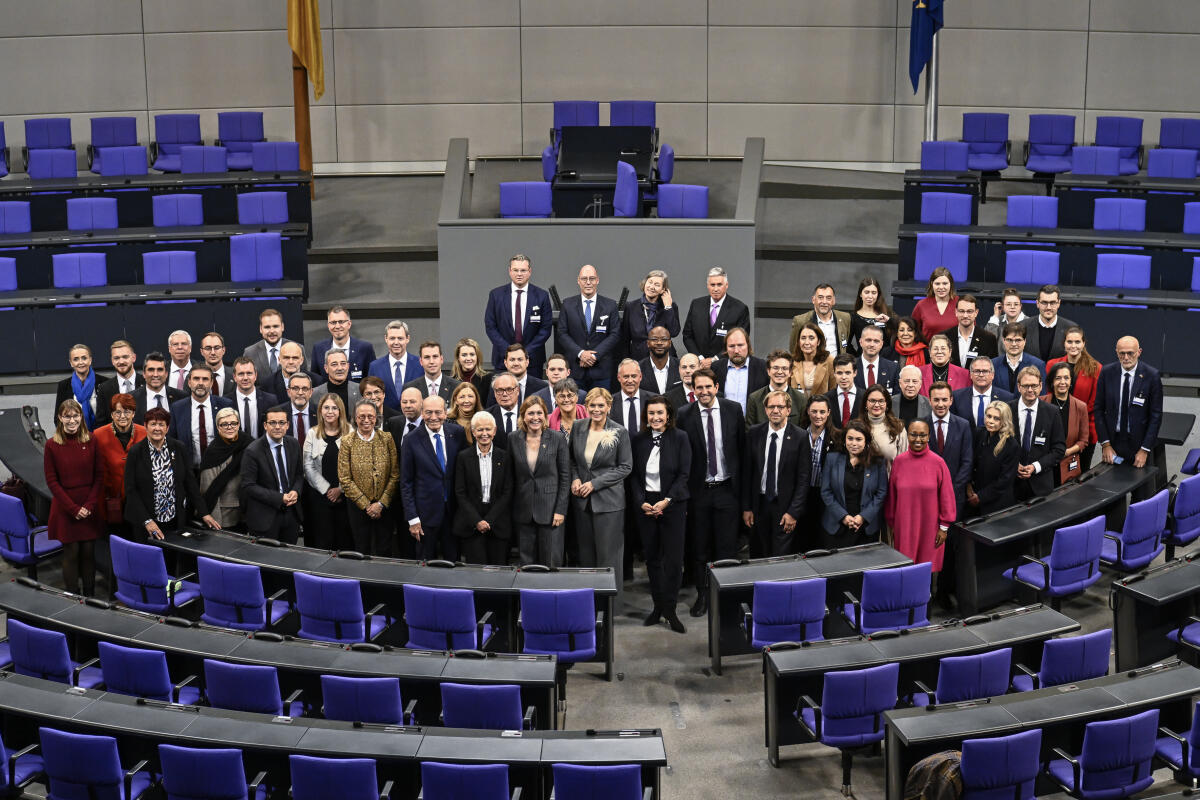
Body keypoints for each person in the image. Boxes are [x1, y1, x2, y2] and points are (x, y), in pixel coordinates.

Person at [677, 368, 745, 616]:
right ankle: (703, 595)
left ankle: (725, 597)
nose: (703, 392)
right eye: (699, 388)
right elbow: (682, 458)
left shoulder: (733, 410)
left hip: (727, 490)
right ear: (693, 390)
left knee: (727, 547)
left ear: (716, 387)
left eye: (708, 387)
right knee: (700, 548)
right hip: (699, 493)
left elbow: (741, 450)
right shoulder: (684, 414)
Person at [631, 396, 691, 632]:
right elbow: (634, 476)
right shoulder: (638, 440)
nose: (655, 417)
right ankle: (658, 607)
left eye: (660, 413)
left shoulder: (680, 438)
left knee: (674, 560)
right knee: (653, 559)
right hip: (647, 505)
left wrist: (667, 501)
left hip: (672, 504)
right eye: (651, 413)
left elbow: (684, 474)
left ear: (668, 415)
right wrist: (641, 502)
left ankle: (671, 609)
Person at [569, 388, 633, 598]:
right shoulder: (577, 427)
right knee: (586, 555)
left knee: (608, 556)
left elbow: (625, 467)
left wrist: (595, 484)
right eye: (592, 406)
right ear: (585, 407)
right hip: (582, 502)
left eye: (600, 406)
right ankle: (589, 603)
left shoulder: (619, 431)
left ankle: (610, 606)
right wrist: (576, 478)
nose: (596, 410)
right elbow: (570, 460)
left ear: (608, 407)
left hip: (609, 503)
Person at [124, 407, 220, 539]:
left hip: (175, 519)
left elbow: (190, 482)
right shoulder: (136, 452)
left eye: (161, 424)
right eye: (153, 424)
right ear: (145, 426)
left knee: (172, 558)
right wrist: (147, 521)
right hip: (146, 521)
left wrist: (204, 513)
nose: (157, 428)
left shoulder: (178, 447)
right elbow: (131, 490)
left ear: (167, 428)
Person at [44, 399, 103, 595]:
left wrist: (89, 505)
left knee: (88, 553)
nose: (72, 420)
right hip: (66, 508)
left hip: (89, 507)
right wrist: (73, 509)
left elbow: (99, 476)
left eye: (75, 415)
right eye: (67, 416)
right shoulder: (51, 445)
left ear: (81, 417)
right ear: (60, 418)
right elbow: (52, 482)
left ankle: (90, 596)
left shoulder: (92, 440)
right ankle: (72, 597)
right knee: (71, 553)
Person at [742, 391, 810, 557]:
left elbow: (803, 479)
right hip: (759, 505)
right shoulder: (754, 433)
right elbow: (747, 473)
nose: (775, 410)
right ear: (765, 410)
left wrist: (793, 512)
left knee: (781, 557)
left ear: (788, 410)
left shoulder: (800, 436)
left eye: (780, 406)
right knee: (758, 553)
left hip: (785, 507)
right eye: (771, 406)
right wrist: (747, 508)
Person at [885, 419, 956, 575]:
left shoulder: (938, 463)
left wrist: (944, 527)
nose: (918, 439)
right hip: (904, 526)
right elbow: (892, 496)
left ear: (929, 436)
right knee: (905, 568)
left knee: (926, 570)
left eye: (923, 435)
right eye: (913, 435)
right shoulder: (899, 462)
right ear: (907, 436)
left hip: (930, 528)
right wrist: (893, 523)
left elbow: (947, 497)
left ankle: (926, 598)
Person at [402, 396, 466, 561]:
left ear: (446, 413)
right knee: (425, 562)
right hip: (424, 516)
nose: (433, 417)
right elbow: (406, 483)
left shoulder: (457, 433)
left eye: (438, 412)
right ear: (422, 413)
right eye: (428, 412)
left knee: (453, 562)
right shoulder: (411, 440)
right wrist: (413, 519)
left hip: (453, 512)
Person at [510, 396, 570, 567]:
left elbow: (565, 478)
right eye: (530, 413)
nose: (535, 417)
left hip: (551, 512)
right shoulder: (513, 438)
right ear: (523, 416)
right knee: (526, 563)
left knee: (551, 562)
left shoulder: (557, 438)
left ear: (545, 415)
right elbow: (512, 477)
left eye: (539, 413)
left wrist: (560, 510)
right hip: (524, 511)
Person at [339, 400, 400, 556]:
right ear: (355, 418)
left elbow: (395, 474)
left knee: (384, 549)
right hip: (358, 508)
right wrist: (367, 505)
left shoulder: (386, 438)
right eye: (362, 416)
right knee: (361, 548)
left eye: (370, 416)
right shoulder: (347, 441)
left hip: (384, 506)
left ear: (376, 418)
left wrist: (380, 504)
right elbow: (345, 479)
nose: (366, 420)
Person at [92, 394, 145, 569]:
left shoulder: (144, 432)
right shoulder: (99, 435)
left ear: (134, 413)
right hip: (111, 501)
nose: (122, 416)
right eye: (117, 412)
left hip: (138, 500)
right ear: (111, 414)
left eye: (127, 411)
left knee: (138, 544)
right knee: (117, 546)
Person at [1095, 335, 1163, 470]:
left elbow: (1156, 416)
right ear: (1116, 352)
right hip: (1113, 443)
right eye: (1122, 353)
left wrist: (1144, 450)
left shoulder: (1151, 375)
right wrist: (1105, 444)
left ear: (1139, 352)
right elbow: (1098, 410)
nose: (1126, 358)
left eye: (1130, 353)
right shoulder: (1106, 372)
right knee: (1113, 489)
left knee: (1142, 490)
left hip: (1139, 444)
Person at [454, 411, 513, 565]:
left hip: (498, 523)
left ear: (494, 431)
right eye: (480, 430)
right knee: (475, 572)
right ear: (473, 432)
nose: (484, 433)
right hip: (471, 524)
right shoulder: (463, 457)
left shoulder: (505, 456)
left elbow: (507, 492)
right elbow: (460, 492)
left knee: (498, 572)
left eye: (488, 429)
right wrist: (477, 521)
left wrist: (489, 520)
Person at [819, 419, 888, 550]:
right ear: (844, 440)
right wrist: (843, 516)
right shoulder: (832, 458)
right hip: (837, 526)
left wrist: (863, 517)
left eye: (858, 439)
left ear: (866, 441)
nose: (853, 443)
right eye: (850, 438)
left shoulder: (877, 462)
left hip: (865, 528)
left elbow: (881, 493)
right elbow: (826, 491)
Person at [241, 408, 304, 543]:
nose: (277, 427)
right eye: (272, 423)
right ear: (265, 425)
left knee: (288, 560)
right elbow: (248, 486)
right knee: (266, 561)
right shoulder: (252, 451)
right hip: (265, 517)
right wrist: (280, 498)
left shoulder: (293, 444)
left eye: (281, 423)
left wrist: (295, 491)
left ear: (287, 425)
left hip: (291, 514)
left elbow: (299, 474)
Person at [484, 253, 553, 375]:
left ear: (530, 271)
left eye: (523, 270)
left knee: (532, 394)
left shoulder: (542, 296)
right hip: (503, 359)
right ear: (509, 271)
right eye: (515, 270)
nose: (519, 274)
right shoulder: (496, 295)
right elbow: (491, 326)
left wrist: (525, 353)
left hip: (532, 361)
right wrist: (509, 352)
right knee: (504, 393)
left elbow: (545, 329)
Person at [555, 264, 621, 391]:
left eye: (592, 278)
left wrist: (593, 356)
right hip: (575, 369)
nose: (588, 282)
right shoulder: (567, 305)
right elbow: (562, 334)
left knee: (600, 409)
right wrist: (581, 354)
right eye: (584, 279)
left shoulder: (610, 305)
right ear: (578, 281)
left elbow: (615, 334)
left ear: (598, 280)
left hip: (601, 370)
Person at [1046, 326, 1101, 469]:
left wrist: (1074, 419)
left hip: (1085, 429)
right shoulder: (1052, 364)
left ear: (1083, 344)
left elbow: (1095, 402)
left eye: (1077, 342)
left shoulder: (1095, 367)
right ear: (1064, 343)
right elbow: (1048, 396)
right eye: (1069, 342)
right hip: (1056, 426)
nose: (1073, 346)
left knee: (1079, 473)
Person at [302, 393, 352, 551]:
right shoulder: (312, 433)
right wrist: (327, 490)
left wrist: (340, 490)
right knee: (323, 542)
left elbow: (356, 465)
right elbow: (308, 466)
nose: (330, 411)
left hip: (346, 498)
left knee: (345, 542)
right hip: (319, 498)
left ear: (340, 411)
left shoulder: (350, 432)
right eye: (326, 408)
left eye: (334, 408)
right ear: (320, 411)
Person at [1011, 365, 1066, 499]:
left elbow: (1059, 449)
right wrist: (1013, 465)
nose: (1030, 390)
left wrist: (1036, 467)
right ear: (1019, 387)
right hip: (1011, 484)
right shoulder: (1007, 409)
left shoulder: (1052, 412)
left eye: (1034, 386)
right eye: (1026, 386)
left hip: (1040, 485)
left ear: (1041, 386)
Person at [683, 266, 751, 366]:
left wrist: (715, 359)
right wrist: (700, 358)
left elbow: (741, 340)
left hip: (725, 364)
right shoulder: (696, 305)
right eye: (712, 285)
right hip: (699, 365)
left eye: (719, 285)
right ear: (707, 286)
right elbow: (687, 336)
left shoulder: (740, 308)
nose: (715, 289)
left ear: (726, 285)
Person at [196, 406, 249, 530]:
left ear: (239, 424)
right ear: (218, 427)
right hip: (225, 515)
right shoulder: (213, 452)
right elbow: (209, 491)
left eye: (233, 423)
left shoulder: (248, 443)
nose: (229, 427)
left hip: (247, 510)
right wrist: (215, 522)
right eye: (224, 424)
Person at [168, 365, 233, 463]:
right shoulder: (177, 408)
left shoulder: (225, 405)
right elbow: (171, 440)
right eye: (196, 379)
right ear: (189, 382)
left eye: (205, 379)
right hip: (189, 469)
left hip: (218, 468)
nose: (200, 383)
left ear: (211, 383)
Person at [927, 382, 973, 518]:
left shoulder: (963, 425)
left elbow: (967, 462)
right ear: (929, 400)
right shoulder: (921, 425)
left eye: (944, 399)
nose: (940, 404)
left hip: (955, 495)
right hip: (928, 494)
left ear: (951, 400)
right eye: (936, 399)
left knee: (953, 537)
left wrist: (951, 489)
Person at [966, 402, 1020, 515]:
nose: (990, 421)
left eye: (996, 419)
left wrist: (980, 497)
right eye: (988, 416)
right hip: (974, 497)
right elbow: (971, 462)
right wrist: (968, 485)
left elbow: (1005, 480)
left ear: (1004, 421)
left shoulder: (1011, 445)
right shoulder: (980, 433)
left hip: (997, 504)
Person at [1043, 362, 1090, 485]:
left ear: (1071, 381)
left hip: (1068, 464)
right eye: (1058, 378)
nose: (1062, 382)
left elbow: (1083, 441)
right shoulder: (1041, 403)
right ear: (1052, 382)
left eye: (1066, 378)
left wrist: (1067, 452)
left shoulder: (1080, 406)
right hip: (1044, 464)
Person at [800, 395, 836, 551]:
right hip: (802, 494)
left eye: (822, 411)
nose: (818, 416)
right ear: (808, 411)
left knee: (821, 539)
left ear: (828, 413)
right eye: (814, 411)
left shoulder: (837, 437)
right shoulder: (798, 434)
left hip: (824, 496)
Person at [621, 269, 680, 362]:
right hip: (638, 359)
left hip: (665, 359)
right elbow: (624, 339)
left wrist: (668, 307)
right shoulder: (631, 307)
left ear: (663, 290)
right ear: (645, 283)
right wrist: (626, 361)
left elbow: (674, 332)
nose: (651, 287)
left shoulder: (670, 307)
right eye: (650, 282)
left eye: (657, 285)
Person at [311, 305, 375, 382]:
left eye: (341, 322)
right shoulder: (318, 348)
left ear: (349, 324)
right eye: (333, 322)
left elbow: (371, 380)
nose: (337, 326)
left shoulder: (365, 348)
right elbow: (315, 381)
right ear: (328, 325)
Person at [711, 327, 768, 412]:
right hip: (723, 423)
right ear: (726, 348)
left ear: (748, 345)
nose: (736, 350)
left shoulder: (762, 367)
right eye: (731, 346)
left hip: (752, 423)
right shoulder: (716, 368)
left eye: (740, 345)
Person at [367, 320, 421, 410]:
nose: (396, 342)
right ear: (386, 339)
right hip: (386, 420)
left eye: (400, 338)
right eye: (392, 338)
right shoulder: (375, 367)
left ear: (407, 339)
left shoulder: (420, 364)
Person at [952, 357, 1015, 431]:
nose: (981, 375)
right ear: (971, 375)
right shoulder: (957, 397)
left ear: (992, 375)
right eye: (977, 371)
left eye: (985, 371)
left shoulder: (1007, 398)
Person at [746, 351, 806, 428]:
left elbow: (803, 433)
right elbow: (749, 432)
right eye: (775, 368)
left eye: (784, 368)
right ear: (768, 371)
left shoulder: (800, 399)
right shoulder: (755, 398)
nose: (780, 372)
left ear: (790, 372)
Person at [789, 283, 851, 357]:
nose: (824, 302)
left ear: (833, 301)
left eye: (828, 298)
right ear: (813, 300)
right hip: (812, 367)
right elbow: (793, 349)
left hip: (837, 366)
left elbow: (846, 345)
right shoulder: (800, 321)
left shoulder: (845, 318)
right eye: (820, 297)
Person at [55, 344, 106, 431]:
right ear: (71, 363)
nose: (80, 362)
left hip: (100, 434)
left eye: (84, 358)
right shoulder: (63, 386)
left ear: (90, 360)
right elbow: (58, 418)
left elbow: (110, 415)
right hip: (74, 435)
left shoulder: (104, 383)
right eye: (76, 359)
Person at [941, 294, 998, 370]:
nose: (965, 315)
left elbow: (992, 369)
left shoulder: (988, 339)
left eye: (969, 311)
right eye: (962, 311)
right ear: (956, 312)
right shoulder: (944, 337)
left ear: (976, 313)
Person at [242, 308, 303, 379]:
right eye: (267, 327)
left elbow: (305, 379)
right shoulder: (250, 353)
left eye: (275, 326)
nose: (272, 331)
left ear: (282, 327)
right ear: (261, 329)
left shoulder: (298, 348)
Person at [226, 357, 277, 439]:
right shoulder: (225, 402)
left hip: (262, 450)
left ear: (255, 375)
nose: (245, 378)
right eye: (241, 374)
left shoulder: (270, 400)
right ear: (234, 377)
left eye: (249, 373)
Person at [1024, 284, 1077, 363]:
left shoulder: (1071, 328)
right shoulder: (1023, 327)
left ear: (1059, 303)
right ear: (1037, 303)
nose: (1048, 307)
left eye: (1052, 303)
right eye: (1044, 303)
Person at [95, 340, 142, 428]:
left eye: (125, 357)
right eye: (116, 358)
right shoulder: (104, 389)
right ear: (112, 361)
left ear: (134, 358)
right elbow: (101, 423)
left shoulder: (146, 383)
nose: (121, 361)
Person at [991, 322, 1045, 394]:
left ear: (1025, 341)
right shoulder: (993, 364)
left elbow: (1042, 395)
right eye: (1009, 340)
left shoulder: (1038, 364)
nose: (1014, 344)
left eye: (1018, 340)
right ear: (1004, 341)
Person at [859, 385, 908, 465]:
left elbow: (904, 462)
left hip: (891, 477)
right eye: (872, 400)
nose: (877, 405)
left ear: (887, 404)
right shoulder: (857, 427)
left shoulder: (898, 427)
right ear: (865, 403)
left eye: (881, 401)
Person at [134, 351, 185, 424]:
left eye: (160, 370)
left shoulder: (181, 397)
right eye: (151, 370)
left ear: (166, 374)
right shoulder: (132, 398)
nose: (155, 374)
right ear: (144, 374)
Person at [848, 277, 895, 355]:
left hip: (885, 360)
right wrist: (857, 357)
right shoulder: (853, 317)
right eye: (866, 292)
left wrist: (890, 321)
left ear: (878, 294)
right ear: (860, 294)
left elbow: (901, 327)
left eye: (873, 293)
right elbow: (847, 343)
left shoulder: (886, 313)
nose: (870, 296)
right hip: (863, 362)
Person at [911, 267, 958, 342]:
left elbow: (971, 329)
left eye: (945, 283)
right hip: (928, 351)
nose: (941, 287)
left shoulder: (960, 303)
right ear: (931, 284)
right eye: (937, 284)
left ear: (951, 284)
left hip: (956, 352)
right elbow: (912, 329)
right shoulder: (922, 305)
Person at [609, 359, 653, 437]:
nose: (630, 380)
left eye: (633, 376)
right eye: (626, 376)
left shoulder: (653, 400)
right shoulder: (609, 402)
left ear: (640, 377)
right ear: (619, 378)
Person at [270, 372, 318, 444]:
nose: (300, 392)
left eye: (304, 389)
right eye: (295, 388)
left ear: (311, 392)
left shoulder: (320, 412)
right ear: (289, 392)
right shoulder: (276, 414)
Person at [790, 323, 834, 398]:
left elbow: (834, 390)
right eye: (803, 338)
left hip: (821, 408)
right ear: (798, 341)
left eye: (811, 338)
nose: (807, 342)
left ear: (818, 342)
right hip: (798, 409)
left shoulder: (830, 361)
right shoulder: (791, 362)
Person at [854, 326, 899, 395]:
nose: (872, 345)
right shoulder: (851, 366)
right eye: (868, 340)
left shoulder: (893, 368)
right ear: (860, 342)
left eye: (876, 341)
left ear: (881, 344)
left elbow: (896, 397)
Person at [639, 326, 681, 394]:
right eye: (654, 339)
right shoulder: (638, 368)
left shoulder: (681, 366)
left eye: (664, 339)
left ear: (670, 343)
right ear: (648, 343)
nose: (659, 343)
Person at [451, 337, 494, 402]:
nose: (468, 358)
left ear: (477, 357)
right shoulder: (451, 381)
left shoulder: (488, 379)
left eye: (472, 354)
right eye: (464, 355)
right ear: (458, 358)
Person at [824, 355, 862, 428]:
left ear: (855, 373)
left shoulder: (865, 397)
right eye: (839, 373)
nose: (843, 377)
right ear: (834, 373)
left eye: (847, 373)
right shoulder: (826, 398)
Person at [198, 332, 232, 396]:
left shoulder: (235, 374)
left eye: (217, 348)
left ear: (223, 350)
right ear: (201, 352)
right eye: (208, 348)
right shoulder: (192, 376)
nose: (213, 352)